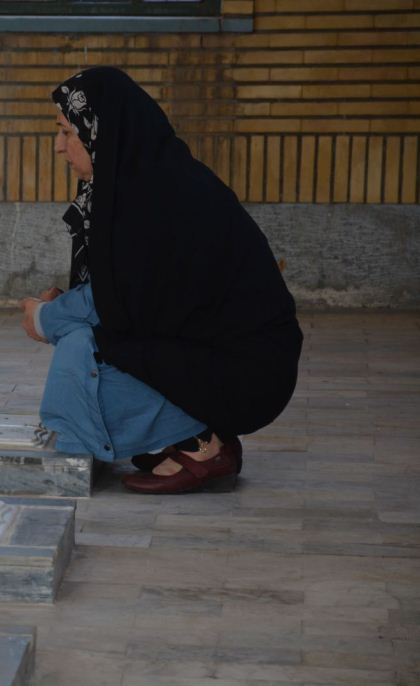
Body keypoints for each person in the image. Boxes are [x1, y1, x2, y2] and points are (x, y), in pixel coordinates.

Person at [21, 67, 302, 495]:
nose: (59, 147)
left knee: (81, 349)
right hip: (220, 354)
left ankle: (200, 444)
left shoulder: (158, 195)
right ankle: (187, 434)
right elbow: (133, 294)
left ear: (101, 132)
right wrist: (69, 306)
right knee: (85, 336)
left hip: (247, 371)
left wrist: (45, 318)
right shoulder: (145, 180)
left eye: (67, 132)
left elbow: (115, 304)